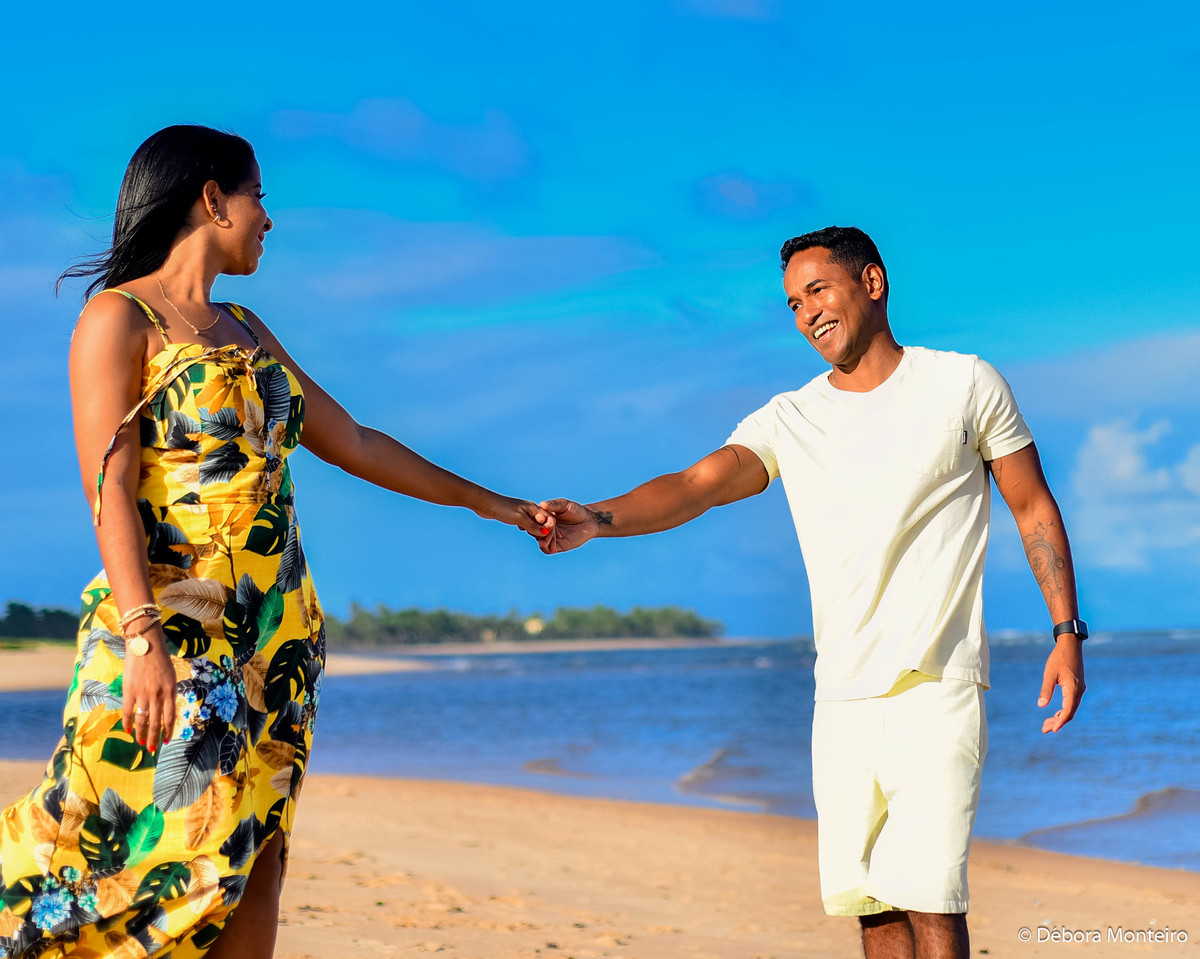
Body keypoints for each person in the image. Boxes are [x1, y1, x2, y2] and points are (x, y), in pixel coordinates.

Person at [0, 124, 554, 959]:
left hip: (276, 640)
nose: (269, 219)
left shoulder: (249, 329)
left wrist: (493, 503)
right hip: (170, 634)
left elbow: (358, 441)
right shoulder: (120, 319)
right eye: (259, 197)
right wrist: (144, 636)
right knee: (120, 853)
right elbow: (106, 486)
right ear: (212, 198)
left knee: (255, 860)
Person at [534, 225, 1086, 959]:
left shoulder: (963, 383)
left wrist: (1066, 632)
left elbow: (1033, 507)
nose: (806, 314)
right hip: (842, 696)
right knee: (873, 907)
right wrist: (597, 521)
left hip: (936, 682)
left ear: (872, 282)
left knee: (931, 896)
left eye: (818, 290)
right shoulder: (791, 418)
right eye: (793, 303)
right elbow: (697, 485)